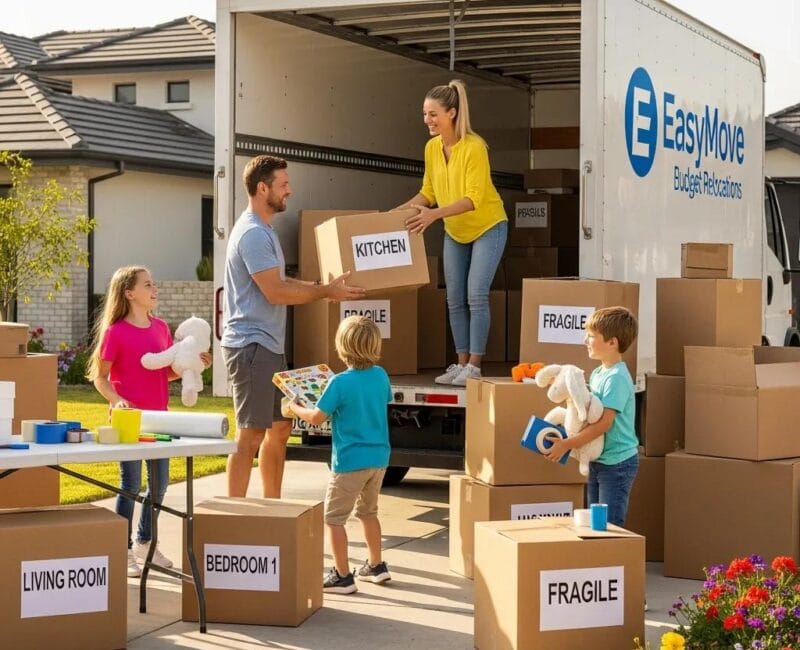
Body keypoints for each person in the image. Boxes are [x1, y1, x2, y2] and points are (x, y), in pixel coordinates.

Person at [222, 154, 366, 499]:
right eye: (283, 184)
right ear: (262, 188)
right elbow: (275, 292)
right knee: (251, 434)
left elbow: (281, 281)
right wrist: (324, 292)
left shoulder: (265, 230)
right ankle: (233, 514)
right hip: (251, 346)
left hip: (267, 345)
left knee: (281, 427)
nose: (290, 190)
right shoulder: (253, 234)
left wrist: (320, 287)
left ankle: (272, 508)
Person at [87, 266, 210, 577]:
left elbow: (162, 373)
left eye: (153, 284)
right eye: (147, 285)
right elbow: (100, 378)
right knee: (130, 484)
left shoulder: (161, 328)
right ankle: (123, 548)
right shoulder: (116, 332)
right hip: (129, 420)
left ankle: (144, 541)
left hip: (159, 418)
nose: (155, 289)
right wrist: (117, 400)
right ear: (129, 293)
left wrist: (193, 367)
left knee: (159, 484)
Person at [397, 79, 507, 386]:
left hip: (487, 226)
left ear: (452, 113)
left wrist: (433, 215)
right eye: (425, 114)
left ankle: (474, 366)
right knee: (454, 298)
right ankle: (460, 363)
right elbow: (428, 192)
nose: (427, 120)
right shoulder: (432, 148)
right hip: (455, 230)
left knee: (476, 295)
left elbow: (473, 199)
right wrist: (395, 214)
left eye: (433, 114)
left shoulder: (474, 148)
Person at [289, 315, 392, 594]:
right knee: (369, 512)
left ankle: (342, 576)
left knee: (333, 519)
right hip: (379, 459)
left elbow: (316, 417)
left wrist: (294, 407)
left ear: (341, 347)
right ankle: (376, 565)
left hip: (349, 462)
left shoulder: (339, 383)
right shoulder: (381, 375)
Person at [544, 306, 640, 528]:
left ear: (612, 342)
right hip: (599, 460)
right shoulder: (598, 373)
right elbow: (586, 413)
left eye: (591, 336)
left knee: (608, 526)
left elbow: (603, 424)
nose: (584, 340)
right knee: (594, 524)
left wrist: (567, 444)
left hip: (617, 463)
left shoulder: (616, 378)